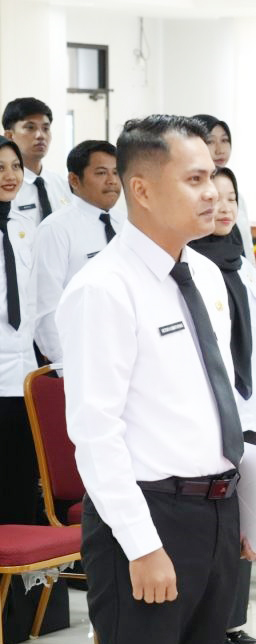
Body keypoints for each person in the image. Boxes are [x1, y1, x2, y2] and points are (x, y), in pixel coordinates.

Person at [56, 115, 243, 644]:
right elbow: (95, 432)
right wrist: (141, 546)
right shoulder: (104, 287)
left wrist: (240, 510)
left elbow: (216, 399)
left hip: (217, 510)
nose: (211, 193)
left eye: (212, 177)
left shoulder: (205, 274)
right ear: (140, 189)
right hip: (148, 515)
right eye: (194, 180)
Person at [190, 166, 256, 644]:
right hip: (206, 406)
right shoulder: (186, 259)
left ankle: (231, 619)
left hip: (242, 403)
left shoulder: (241, 262)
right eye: (214, 197)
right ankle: (206, 621)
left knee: (241, 514)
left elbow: (255, 339)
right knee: (211, 517)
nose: (223, 207)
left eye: (231, 199)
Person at [33, 140, 122, 364]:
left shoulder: (126, 224)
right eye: (101, 173)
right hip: (81, 353)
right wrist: (65, 365)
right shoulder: (55, 229)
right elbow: (46, 308)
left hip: (126, 346)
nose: (112, 181)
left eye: (116, 172)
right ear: (74, 180)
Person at [0, 136, 39, 525]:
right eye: (0, 168)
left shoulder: (25, 227)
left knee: (21, 481)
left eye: (15, 166)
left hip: (24, 375)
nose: (10, 175)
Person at [193, 114, 256, 265]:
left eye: (224, 140)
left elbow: (246, 246)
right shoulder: (190, 196)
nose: (220, 150)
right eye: (210, 141)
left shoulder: (238, 195)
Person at [3, 97, 73, 230]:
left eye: (45, 128)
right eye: (30, 128)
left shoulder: (62, 185)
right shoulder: (5, 187)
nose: (40, 135)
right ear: (9, 136)